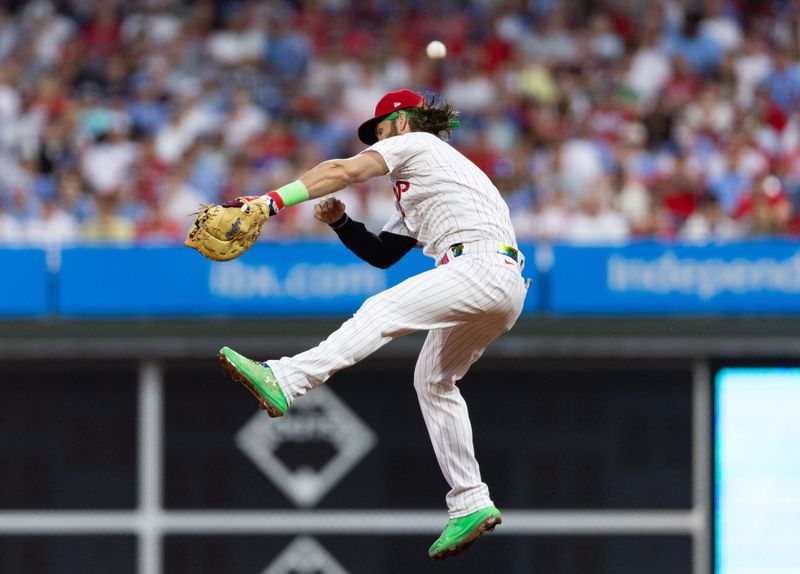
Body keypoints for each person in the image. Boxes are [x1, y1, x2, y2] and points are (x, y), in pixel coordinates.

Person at [217, 89, 528, 560]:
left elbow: (341, 170)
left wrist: (269, 202)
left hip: (478, 266)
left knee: (380, 313)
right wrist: (343, 223)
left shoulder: (418, 145)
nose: (376, 142)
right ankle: (470, 501)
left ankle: (285, 378)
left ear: (402, 123)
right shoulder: (420, 184)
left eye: (380, 132)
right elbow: (383, 253)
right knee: (434, 380)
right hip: (498, 282)